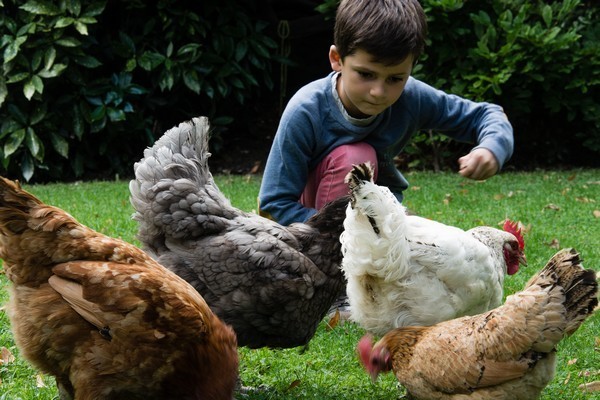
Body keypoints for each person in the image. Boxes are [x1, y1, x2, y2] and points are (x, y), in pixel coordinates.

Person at [258, 0, 514, 227]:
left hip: (379, 217)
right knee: (357, 157)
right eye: (366, 74)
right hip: (318, 228)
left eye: (395, 78)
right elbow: (274, 204)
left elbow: (486, 115)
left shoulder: (412, 96)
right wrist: (334, 233)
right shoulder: (306, 109)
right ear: (337, 59)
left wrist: (491, 148)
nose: (379, 92)